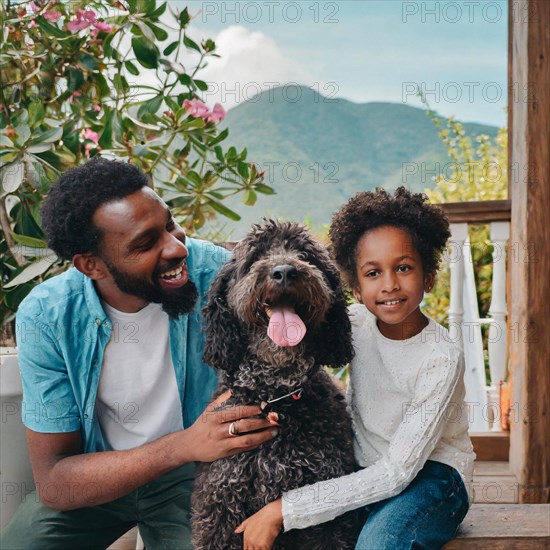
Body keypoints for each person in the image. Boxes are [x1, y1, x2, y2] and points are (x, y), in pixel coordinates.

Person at [0, 158, 279, 550]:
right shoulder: (47, 316)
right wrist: (182, 444)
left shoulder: (216, 272)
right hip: (101, 476)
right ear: (91, 265)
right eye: (146, 243)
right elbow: (55, 483)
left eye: (169, 224)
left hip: (196, 476)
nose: (176, 247)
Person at [235, 187, 475, 550]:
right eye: (373, 273)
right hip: (365, 469)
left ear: (428, 276)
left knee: (379, 542)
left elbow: (397, 472)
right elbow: (288, 345)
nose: (390, 284)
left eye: (404, 268)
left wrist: (283, 510)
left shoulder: (440, 357)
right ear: (356, 288)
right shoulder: (355, 323)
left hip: (434, 477)